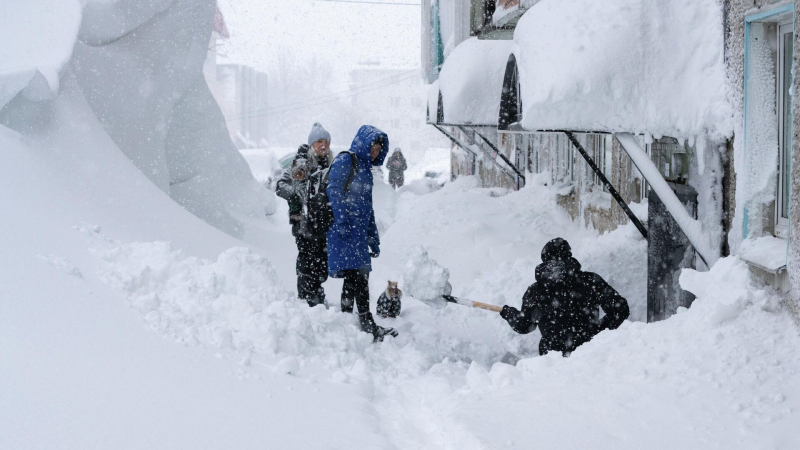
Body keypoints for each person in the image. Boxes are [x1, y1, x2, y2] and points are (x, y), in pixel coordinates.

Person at [499, 238, 630, 356]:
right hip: (590, 352)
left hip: (552, 358)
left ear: (544, 260)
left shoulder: (536, 290)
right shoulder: (590, 280)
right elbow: (620, 309)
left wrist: (509, 313)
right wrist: (600, 331)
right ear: (569, 255)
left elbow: (525, 325)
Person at [327, 125, 397, 341]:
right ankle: (366, 323)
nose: (375, 151)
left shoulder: (366, 170)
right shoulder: (346, 160)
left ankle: (349, 321)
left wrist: (373, 237)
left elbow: (368, 207)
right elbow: (334, 189)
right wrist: (341, 220)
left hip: (357, 233)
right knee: (358, 277)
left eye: (378, 148)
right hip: (344, 231)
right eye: (373, 146)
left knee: (355, 277)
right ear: (363, 143)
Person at [276, 123, 334, 308]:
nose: (323, 145)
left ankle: (315, 292)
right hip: (302, 222)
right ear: (311, 145)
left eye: (326, 141)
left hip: (323, 223)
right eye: (319, 141)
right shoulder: (301, 163)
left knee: (321, 261)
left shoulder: (331, 164)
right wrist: (298, 195)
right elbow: (280, 186)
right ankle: (306, 296)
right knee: (307, 259)